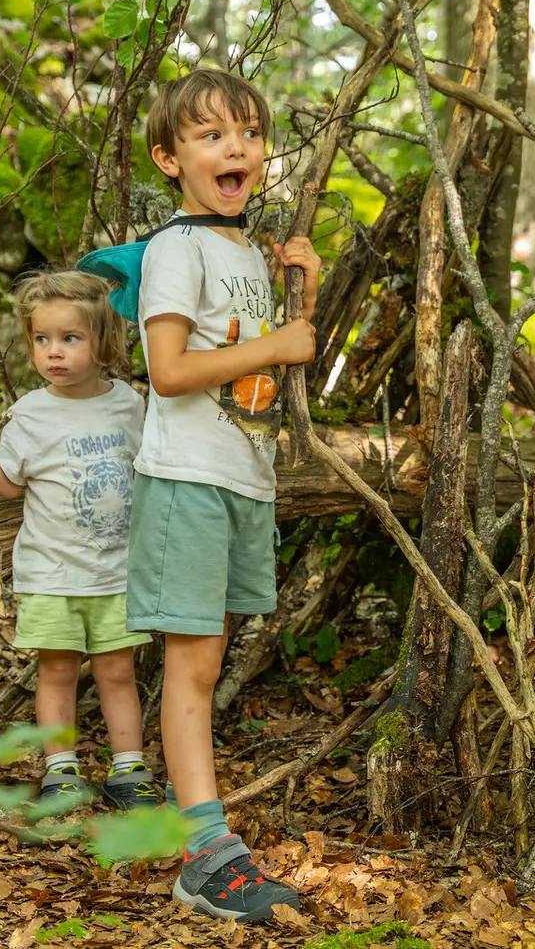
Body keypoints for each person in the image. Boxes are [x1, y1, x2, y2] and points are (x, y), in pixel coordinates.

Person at [126, 68, 321, 923]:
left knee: (206, 659)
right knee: (193, 665)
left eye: (247, 131)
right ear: (170, 159)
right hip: (186, 481)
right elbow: (168, 373)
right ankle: (206, 854)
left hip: (240, 476)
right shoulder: (177, 247)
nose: (235, 146)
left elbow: (273, 360)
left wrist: (302, 294)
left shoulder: (245, 248)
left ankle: (207, 841)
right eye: (210, 136)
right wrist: (278, 339)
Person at [0, 271, 158, 811]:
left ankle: (128, 770)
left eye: (70, 339)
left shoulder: (129, 405)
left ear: (103, 341)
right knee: (58, 670)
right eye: (42, 340)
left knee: (118, 673)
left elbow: (151, 468)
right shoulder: (31, 412)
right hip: (51, 571)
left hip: (116, 572)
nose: (54, 353)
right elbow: (9, 487)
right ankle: (61, 769)